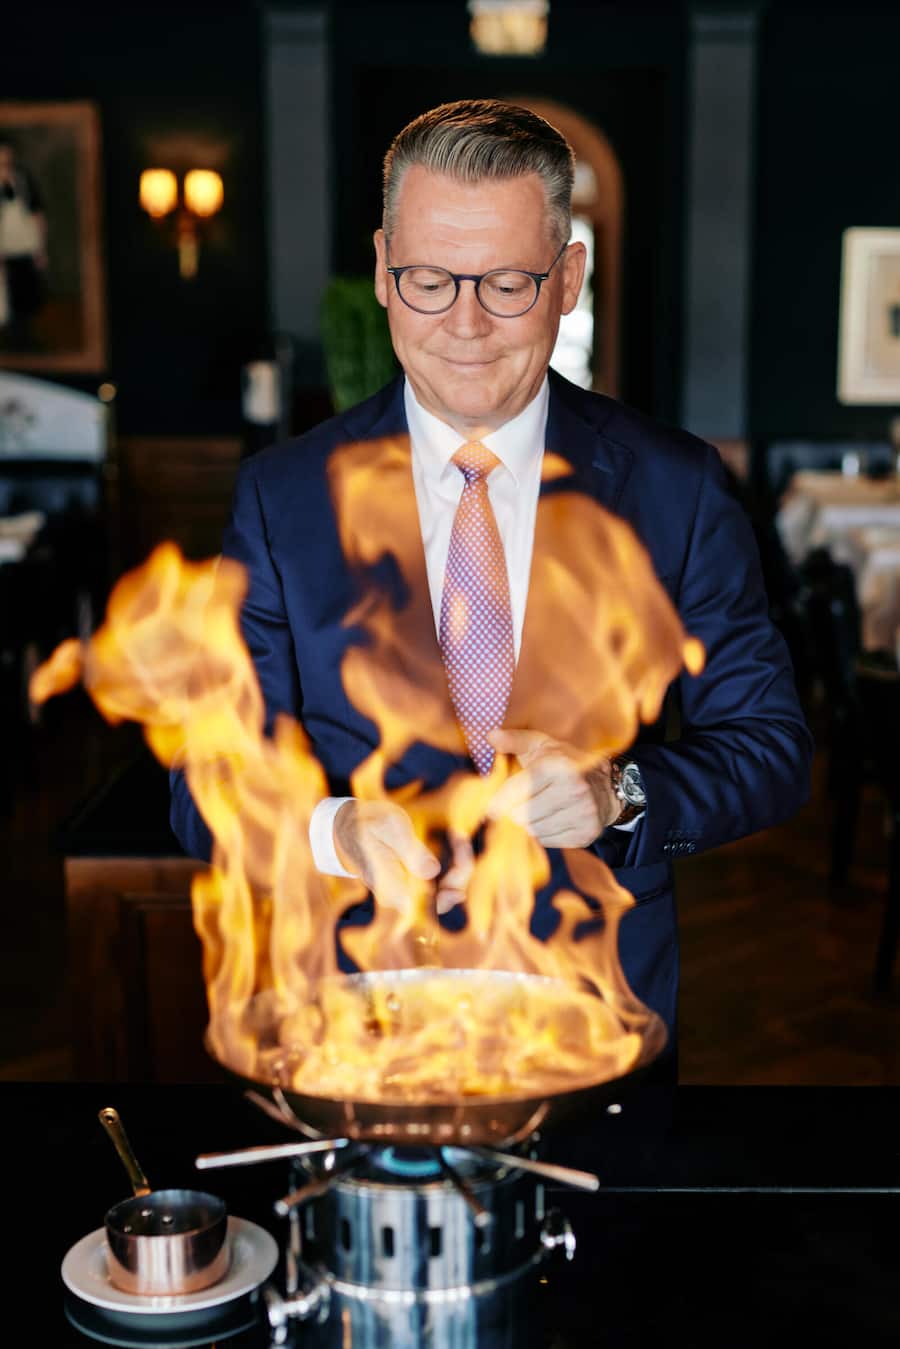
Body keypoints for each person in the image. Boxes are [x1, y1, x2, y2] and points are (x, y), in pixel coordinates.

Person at [170, 100, 813, 1071]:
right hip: (360, 1016)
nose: (465, 324)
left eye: (508, 283)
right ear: (385, 272)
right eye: (430, 280)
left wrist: (621, 789)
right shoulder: (281, 495)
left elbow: (770, 748)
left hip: (599, 1019)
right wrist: (335, 826)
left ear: (568, 280)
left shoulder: (676, 488)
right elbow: (202, 776)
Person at [0, 139, 48, 344]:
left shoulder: (23, 180)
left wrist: (40, 248)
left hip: (25, 246)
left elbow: (37, 214)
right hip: (4, 248)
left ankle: (25, 337)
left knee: (27, 295)